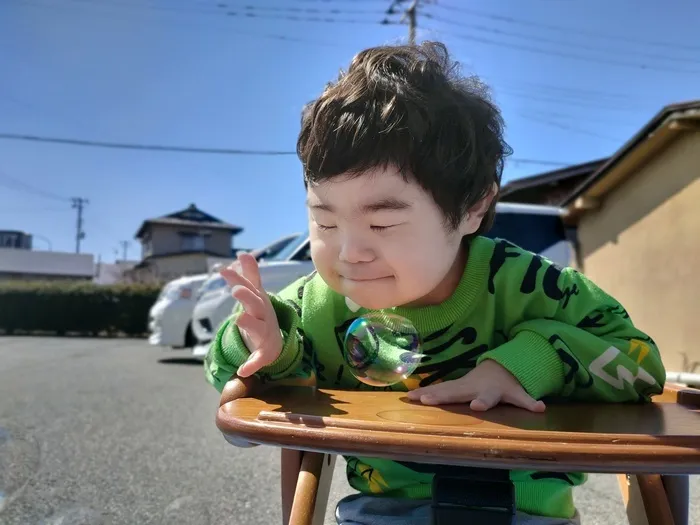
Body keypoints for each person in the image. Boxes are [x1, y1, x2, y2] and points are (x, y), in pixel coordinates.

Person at [204, 41, 666, 525]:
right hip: (382, 513)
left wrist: (531, 362)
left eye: (381, 225)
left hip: (530, 516)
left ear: (472, 207)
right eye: (325, 223)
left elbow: (641, 364)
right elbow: (234, 385)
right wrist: (262, 346)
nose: (349, 253)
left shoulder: (531, 288)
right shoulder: (315, 306)